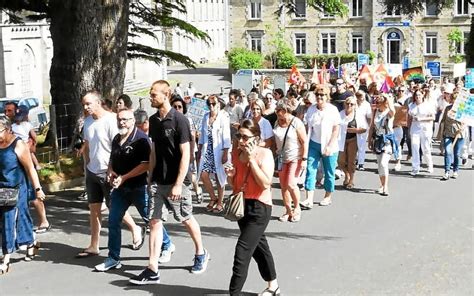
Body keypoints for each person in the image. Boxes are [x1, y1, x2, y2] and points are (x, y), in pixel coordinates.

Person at [130, 80, 209, 285]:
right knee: (154, 222)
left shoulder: (180, 120)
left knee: (185, 217)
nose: (151, 97)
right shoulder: (155, 121)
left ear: (166, 94)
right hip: (158, 181)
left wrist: (178, 183)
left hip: (176, 182)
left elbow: (186, 154)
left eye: (154, 94)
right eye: (150, 94)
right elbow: (154, 149)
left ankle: (201, 253)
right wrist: (150, 176)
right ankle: (152, 267)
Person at [77, 91, 143, 258]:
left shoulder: (111, 120)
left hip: (109, 172)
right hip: (92, 171)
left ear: (98, 103)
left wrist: (113, 170)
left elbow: (118, 147)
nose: (86, 107)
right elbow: (87, 145)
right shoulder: (88, 122)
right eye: (84, 104)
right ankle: (94, 245)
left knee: (114, 207)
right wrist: (86, 167)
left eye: (88, 104)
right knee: (94, 209)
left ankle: (135, 228)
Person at [225, 119, 280, 296]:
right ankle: (274, 286)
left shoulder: (264, 154)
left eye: (245, 137)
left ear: (255, 138)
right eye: (238, 136)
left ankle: (234, 293)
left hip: (260, 208)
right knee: (259, 247)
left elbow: (265, 183)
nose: (241, 140)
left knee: (242, 249)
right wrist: (231, 176)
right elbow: (234, 185)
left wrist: (251, 161)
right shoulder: (235, 153)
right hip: (242, 207)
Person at [94, 109, 151, 271]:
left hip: (139, 187)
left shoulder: (141, 139)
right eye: (119, 119)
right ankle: (113, 258)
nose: (122, 123)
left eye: (125, 120)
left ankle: (166, 244)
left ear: (133, 121)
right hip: (120, 188)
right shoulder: (117, 139)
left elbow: (146, 164)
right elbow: (113, 157)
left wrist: (125, 177)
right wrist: (110, 170)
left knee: (150, 219)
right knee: (113, 221)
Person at [0, 116, 44, 274]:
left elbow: (30, 168)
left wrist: (38, 189)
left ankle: (5, 259)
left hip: (16, 189)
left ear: (8, 129)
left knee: (8, 220)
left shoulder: (18, 145)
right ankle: (31, 242)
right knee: (22, 218)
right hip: (1, 188)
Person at [300, 85, 340, 209]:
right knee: (310, 169)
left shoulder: (332, 110)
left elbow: (336, 128)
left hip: (329, 144)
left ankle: (327, 196)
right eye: (317, 95)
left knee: (329, 171)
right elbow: (307, 127)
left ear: (327, 97)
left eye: (322, 95)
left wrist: (329, 146)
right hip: (314, 143)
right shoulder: (311, 109)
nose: (319, 97)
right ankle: (309, 199)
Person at [273, 99, 307, 222]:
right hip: (282, 158)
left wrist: (304, 159)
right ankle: (288, 210)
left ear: (286, 110)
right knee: (283, 186)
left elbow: (304, 142)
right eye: (276, 110)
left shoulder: (296, 122)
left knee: (291, 183)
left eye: (279, 110)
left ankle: (297, 208)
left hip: (295, 157)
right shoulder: (277, 122)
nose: (276, 112)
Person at [197, 95, 231, 213]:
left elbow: (226, 136)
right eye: (209, 104)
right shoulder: (206, 117)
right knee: (203, 175)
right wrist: (199, 148)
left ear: (219, 104)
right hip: (207, 150)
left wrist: (226, 152)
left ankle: (220, 202)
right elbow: (202, 134)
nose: (211, 106)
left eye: (214, 104)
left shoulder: (223, 117)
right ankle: (213, 197)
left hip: (219, 150)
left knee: (219, 176)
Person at [171, 96, 203, 203]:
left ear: (183, 108)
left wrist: (192, 152)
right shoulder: (169, 119)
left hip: (187, 151)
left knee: (190, 174)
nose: (177, 109)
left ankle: (197, 190)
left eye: (179, 107)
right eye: (174, 106)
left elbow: (193, 137)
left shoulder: (188, 120)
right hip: (174, 153)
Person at [368, 94, 396, 196]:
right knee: (380, 164)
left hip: (387, 139)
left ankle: (385, 187)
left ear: (385, 103)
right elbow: (371, 126)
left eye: (380, 102)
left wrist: (387, 97)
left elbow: (393, 110)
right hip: (378, 139)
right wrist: (369, 139)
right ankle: (382, 184)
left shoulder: (389, 112)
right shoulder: (375, 111)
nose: (377, 104)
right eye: (377, 102)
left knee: (384, 163)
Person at [338, 96, 367, 189]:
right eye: (347, 103)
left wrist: (355, 130)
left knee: (351, 161)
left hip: (353, 140)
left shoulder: (358, 115)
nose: (349, 105)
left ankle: (351, 180)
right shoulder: (340, 114)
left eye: (352, 104)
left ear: (355, 105)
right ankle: (346, 175)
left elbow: (364, 128)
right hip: (341, 140)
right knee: (341, 161)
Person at [438, 93, 465, 180]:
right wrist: (441, 133)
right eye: (453, 99)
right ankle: (446, 171)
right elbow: (443, 121)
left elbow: (467, 120)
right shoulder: (448, 108)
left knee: (456, 154)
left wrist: (462, 127)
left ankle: (455, 170)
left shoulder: (462, 109)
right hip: (448, 133)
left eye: (456, 100)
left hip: (459, 134)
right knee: (448, 152)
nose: (455, 101)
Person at [408, 89, 435, 176]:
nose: (418, 97)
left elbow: (433, 117)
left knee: (426, 148)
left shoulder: (427, 105)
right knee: (415, 147)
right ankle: (415, 167)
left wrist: (421, 119)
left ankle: (429, 165)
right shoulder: (411, 105)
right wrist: (409, 128)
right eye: (416, 95)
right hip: (415, 129)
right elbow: (409, 118)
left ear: (422, 95)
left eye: (419, 95)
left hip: (425, 129)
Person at [355, 90, 372, 171]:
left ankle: (361, 163)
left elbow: (369, 117)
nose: (362, 98)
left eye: (363, 97)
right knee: (354, 145)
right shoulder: (353, 103)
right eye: (360, 96)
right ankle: (355, 160)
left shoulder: (367, 105)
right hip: (353, 126)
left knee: (361, 146)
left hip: (363, 127)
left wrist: (368, 127)